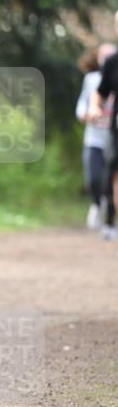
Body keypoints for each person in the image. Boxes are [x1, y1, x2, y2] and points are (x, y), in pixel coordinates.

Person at [75, 45, 116, 236]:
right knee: (94, 179)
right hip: (95, 138)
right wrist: (88, 112)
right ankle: (97, 203)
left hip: (112, 136)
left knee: (109, 179)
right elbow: (87, 102)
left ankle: (110, 219)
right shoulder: (91, 80)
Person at [89, 12, 118, 240]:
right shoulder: (112, 62)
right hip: (116, 130)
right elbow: (99, 94)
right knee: (113, 175)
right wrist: (95, 108)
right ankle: (111, 222)